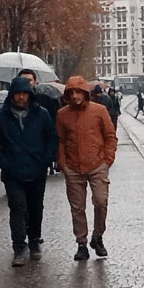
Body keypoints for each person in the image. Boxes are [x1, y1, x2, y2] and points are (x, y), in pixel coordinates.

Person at [0, 77, 59, 266]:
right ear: (12, 95)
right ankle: (19, 246)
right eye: (18, 94)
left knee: (35, 208)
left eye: (24, 94)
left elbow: (52, 138)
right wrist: (5, 162)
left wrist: (45, 160)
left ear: (30, 95)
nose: (21, 98)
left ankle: (34, 240)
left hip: (36, 170)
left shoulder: (41, 114)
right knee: (17, 207)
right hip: (13, 172)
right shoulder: (0, 117)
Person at [56, 76, 117, 261]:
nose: (75, 96)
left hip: (97, 165)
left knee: (100, 201)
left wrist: (107, 160)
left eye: (78, 92)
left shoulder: (99, 111)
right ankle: (81, 243)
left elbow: (110, 136)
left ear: (85, 93)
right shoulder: (62, 114)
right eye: (71, 93)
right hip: (73, 167)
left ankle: (98, 236)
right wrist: (63, 164)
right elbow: (60, 140)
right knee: (77, 207)